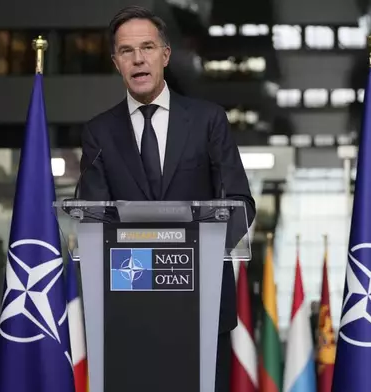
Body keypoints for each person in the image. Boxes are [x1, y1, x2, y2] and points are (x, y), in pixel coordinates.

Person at [78, 5, 256, 392]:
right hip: (131, 309)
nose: (138, 59)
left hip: (202, 306)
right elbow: (91, 221)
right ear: (116, 62)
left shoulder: (209, 120)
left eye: (147, 47)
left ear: (165, 55)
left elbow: (240, 202)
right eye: (127, 51)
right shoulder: (98, 133)